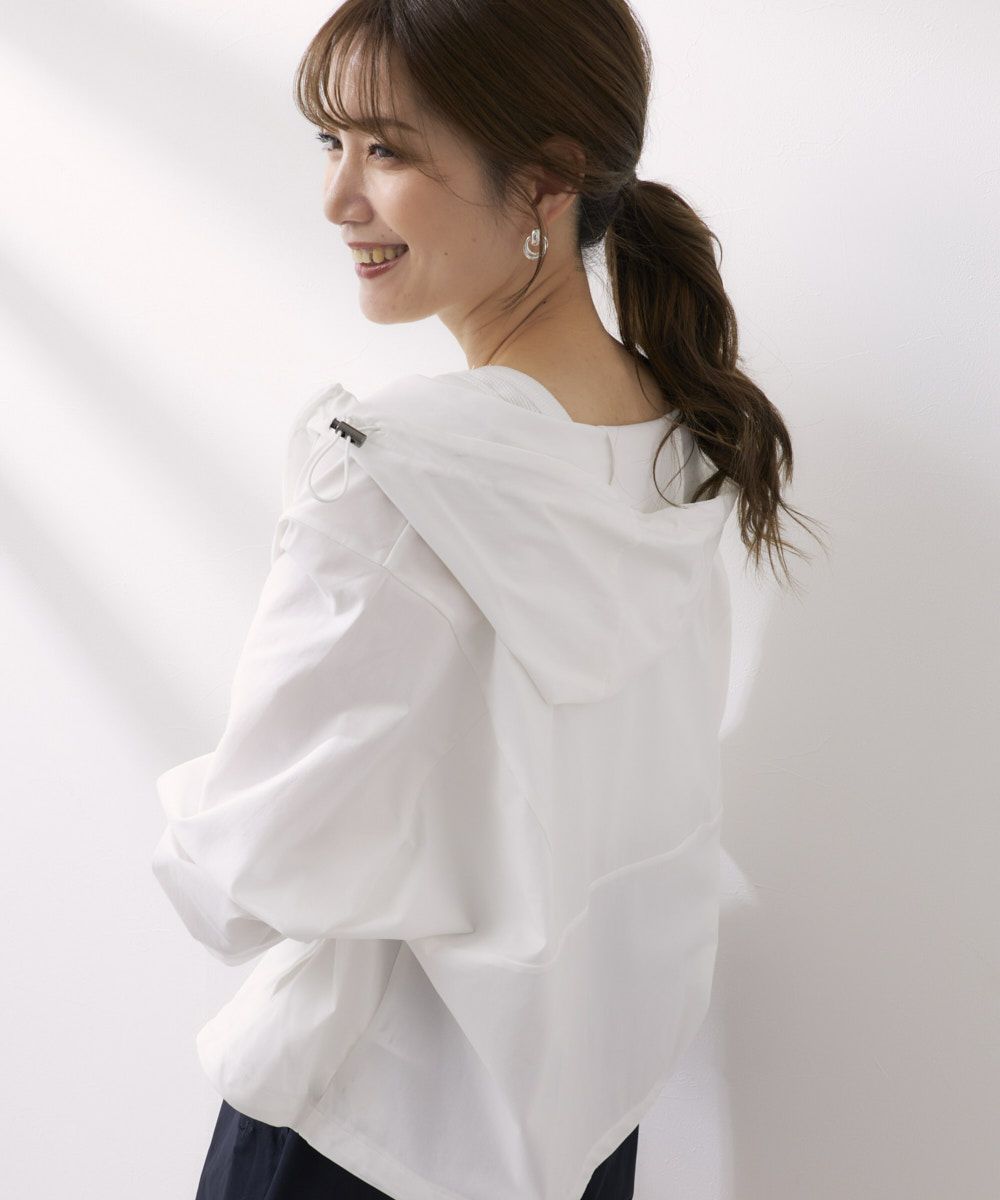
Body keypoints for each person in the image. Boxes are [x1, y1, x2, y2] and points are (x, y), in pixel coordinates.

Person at [152, 3, 823, 1199]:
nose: (338, 198)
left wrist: (190, 827)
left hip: (359, 1131)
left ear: (547, 180)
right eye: (331, 142)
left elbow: (244, 871)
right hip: (573, 1136)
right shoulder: (675, 448)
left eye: (387, 149)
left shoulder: (392, 472)